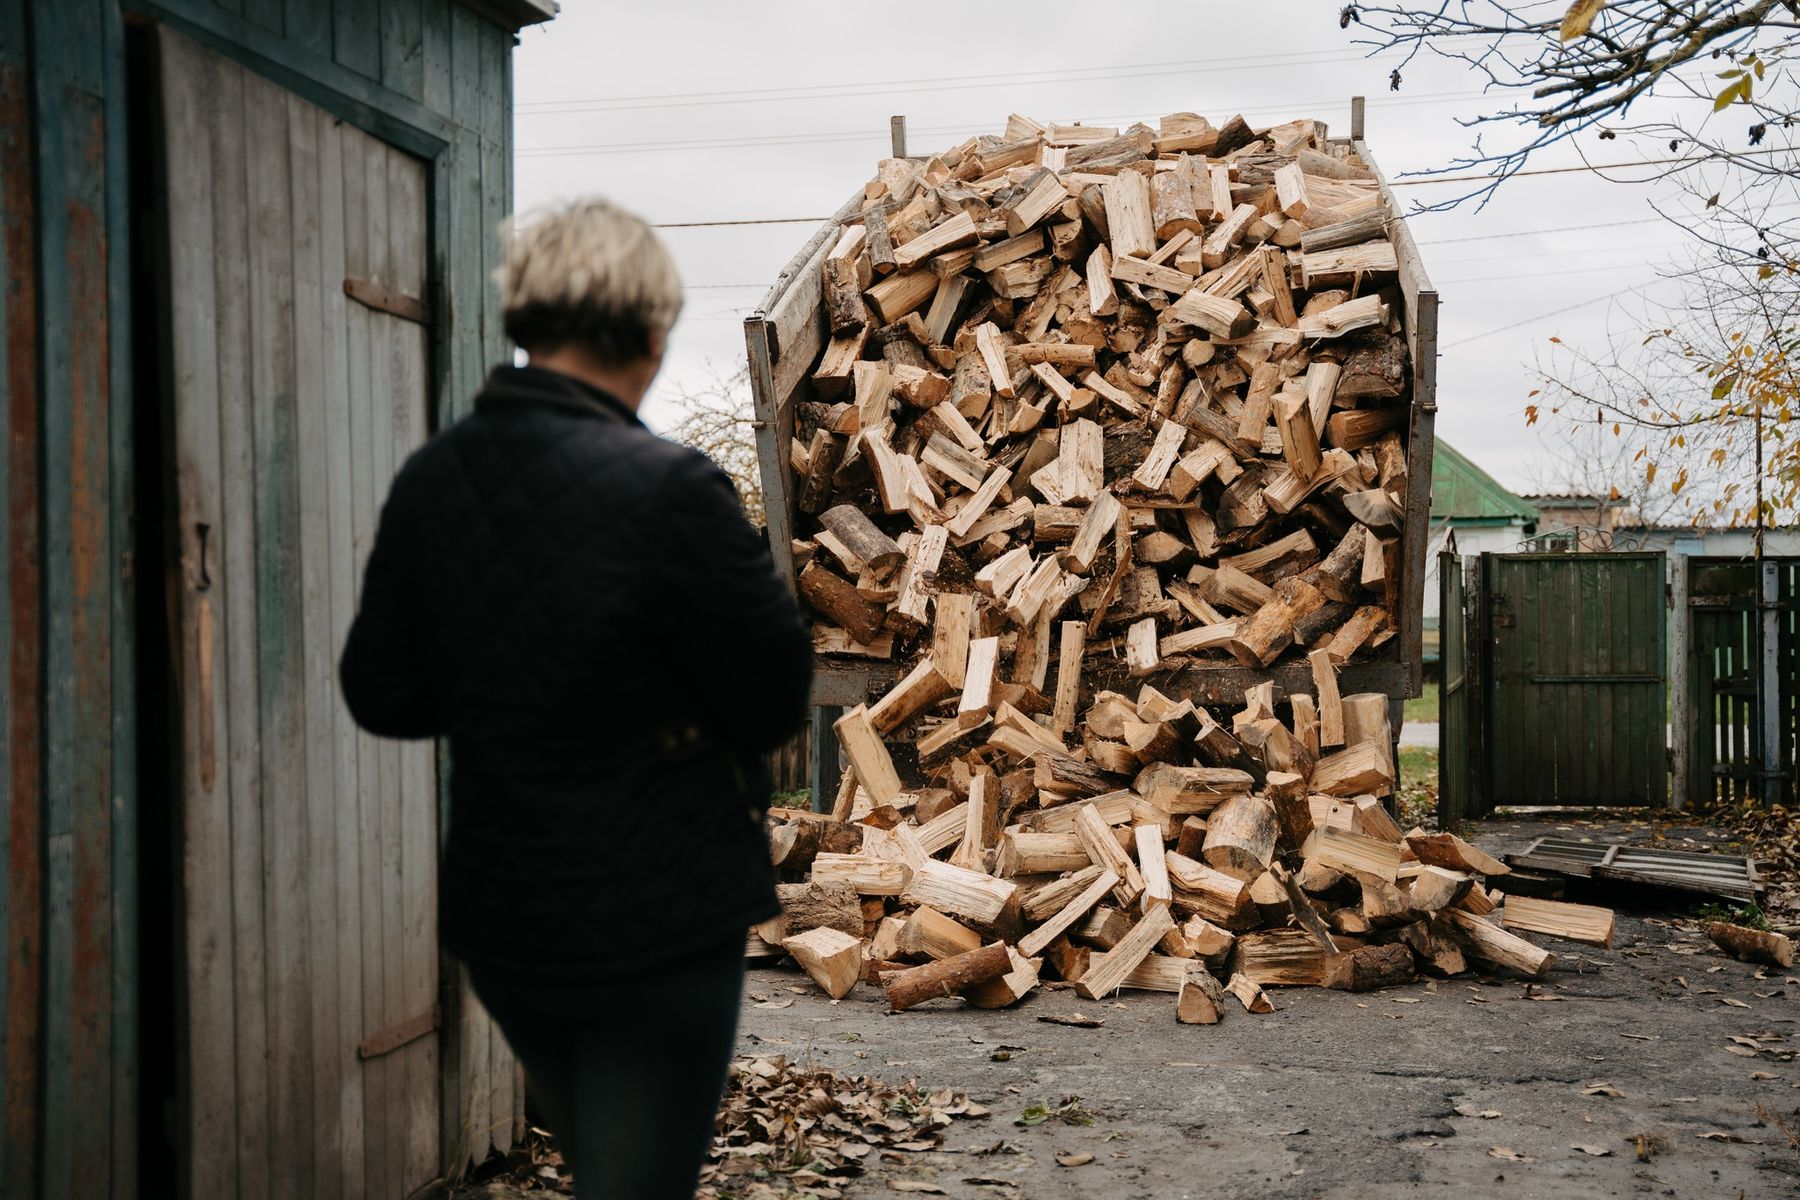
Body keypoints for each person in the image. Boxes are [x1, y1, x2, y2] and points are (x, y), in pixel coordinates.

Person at [339, 196, 811, 1198]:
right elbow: (773, 701)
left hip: (506, 917)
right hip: (660, 916)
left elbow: (380, 689)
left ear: (528, 321)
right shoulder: (673, 489)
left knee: (604, 1156)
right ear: (648, 331)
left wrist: (506, 691)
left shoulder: (434, 479)